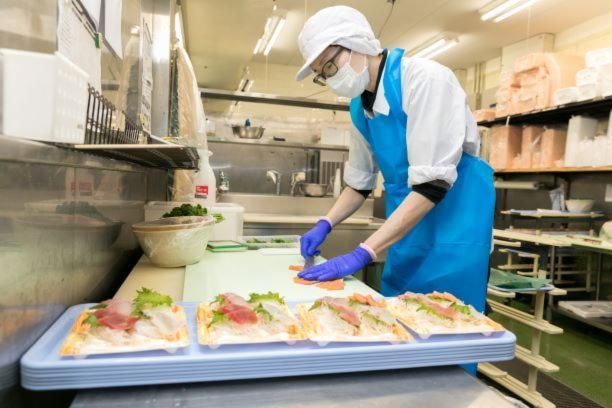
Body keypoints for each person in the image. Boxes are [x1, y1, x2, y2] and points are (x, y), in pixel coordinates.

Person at [295, 6, 495, 321]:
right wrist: (325, 223)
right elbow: (359, 184)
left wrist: (364, 252)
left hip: (454, 225)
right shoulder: (360, 109)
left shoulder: (425, 80)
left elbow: (432, 185)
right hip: (406, 226)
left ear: (357, 45)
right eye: (323, 75)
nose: (330, 79)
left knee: (449, 320)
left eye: (330, 66)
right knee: (399, 318)